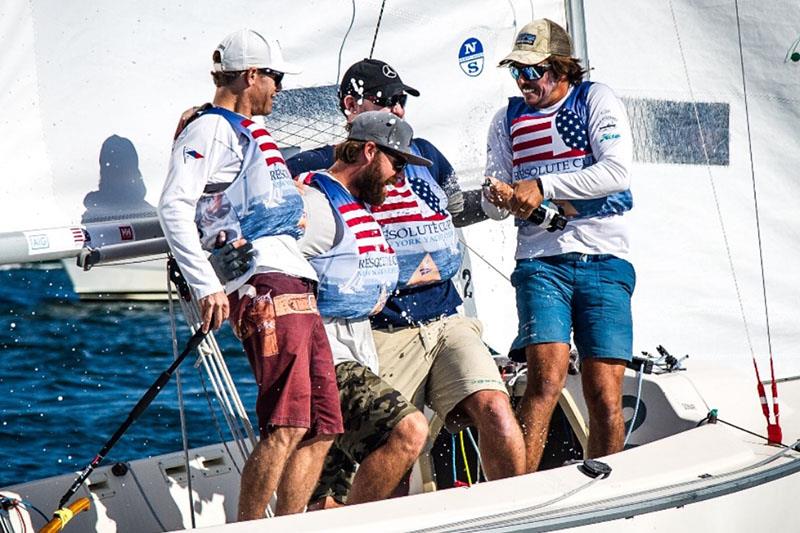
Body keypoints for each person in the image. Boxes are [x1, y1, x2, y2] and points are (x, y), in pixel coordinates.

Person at [287, 59, 527, 488]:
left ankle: (522, 513)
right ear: (350, 105)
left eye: (401, 101)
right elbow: (282, 219)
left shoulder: (426, 155)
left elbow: (454, 211)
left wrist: (491, 204)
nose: (397, 110)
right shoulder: (318, 168)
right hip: (381, 330)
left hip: (446, 318)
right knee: (391, 443)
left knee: (494, 407)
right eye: (386, 101)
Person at [158, 29, 343, 521]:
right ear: (250, 75)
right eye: (275, 78)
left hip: (294, 280)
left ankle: (290, 524)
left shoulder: (240, 129)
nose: (280, 90)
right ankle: (247, 528)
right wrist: (206, 284)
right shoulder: (211, 129)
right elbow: (174, 205)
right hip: (266, 284)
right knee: (285, 422)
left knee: (323, 424)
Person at [482, 19, 635, 472]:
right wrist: (498, 196)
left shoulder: (595, 98)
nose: (524, 81)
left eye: (533, 71)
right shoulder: (506, 118)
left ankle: (608, 490)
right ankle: (520, 497)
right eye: (517, 72)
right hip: (541, 262)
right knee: (544, 382)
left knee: (604, 394)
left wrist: (543, 185)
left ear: (561, 69)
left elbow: (616, 173)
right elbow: (495, 206)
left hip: (606, 259)